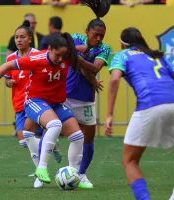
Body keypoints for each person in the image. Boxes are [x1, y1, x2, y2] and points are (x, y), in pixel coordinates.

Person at [0, 32, 99, 184]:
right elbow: (7, 65)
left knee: (77, 136)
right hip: (34, 101)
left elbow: (81, 50)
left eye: (64, 56)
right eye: (57, 55)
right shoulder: (37, 59)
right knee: (54, 125)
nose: (61, 60)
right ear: (49, 49)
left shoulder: (67, 56)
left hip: (56, 104)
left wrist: (82, 48)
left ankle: (74, 176)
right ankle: (41, 169)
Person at [104, 27, 174, 200]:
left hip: (150, 104)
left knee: (129, 161)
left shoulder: (122, 55)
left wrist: (109, 114)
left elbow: (114, 79)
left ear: (122, 44)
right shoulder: (156, 55)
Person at [4, 20, 61, 188]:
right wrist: (9, 83)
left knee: (29, 138)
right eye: (16, 37)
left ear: (30, 39)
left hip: (36, 101)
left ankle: (39, 173)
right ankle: (52, 145)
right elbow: (6, 79)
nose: (18, 40)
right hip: (18, 104)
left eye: (22, 37)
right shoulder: (10, 58)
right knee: (23, 141)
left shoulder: (38, 55)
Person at [64, 0, 111, 189]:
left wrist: (76, 55)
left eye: (102, 36)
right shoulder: (75, 38)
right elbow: (62, 49)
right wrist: (76, 51)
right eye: (95, 35)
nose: (98, 39)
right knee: (50, 128)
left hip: (86, 100)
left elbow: (94, 67)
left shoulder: (104, 49)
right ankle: (40, 170)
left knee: (88, 138)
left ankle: (81, 174)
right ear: (87, 32)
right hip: (65, 95)